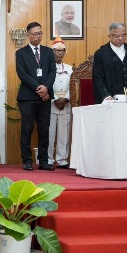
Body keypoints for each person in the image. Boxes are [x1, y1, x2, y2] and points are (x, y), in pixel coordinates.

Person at [15, 22, 56, 171]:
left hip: (45, 97)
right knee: (27, 129)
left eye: (40, 33)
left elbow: (52, 72)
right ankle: (27, 160)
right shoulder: (21, 53)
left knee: (44, 129)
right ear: (28, 35)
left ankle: (43, 161)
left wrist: (46, 88)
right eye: (34, 34)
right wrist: (39, 88)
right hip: (27, 97)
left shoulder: (48, 51)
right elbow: (22, 74)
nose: (37, 36)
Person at [92, 22, 127, 103]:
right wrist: (106, 96)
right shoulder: (101, 53)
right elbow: (98, 78)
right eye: (117, 36)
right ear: (109, 36)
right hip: (111, 99)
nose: (120, 38)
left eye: (123, 35)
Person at [48, 37, 73, 169]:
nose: (59, 53)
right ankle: (48, 159)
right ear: (52, 52)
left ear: (64, 52)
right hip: (51, 102)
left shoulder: (70, 68)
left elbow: (74, 86)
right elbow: (46, 84)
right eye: (56, 51)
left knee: (64, 133)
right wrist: (55, 98)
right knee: (50, 132)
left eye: (61, 51)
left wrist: (66, 98)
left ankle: (62, 159)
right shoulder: (47, 68)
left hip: (66, 103)